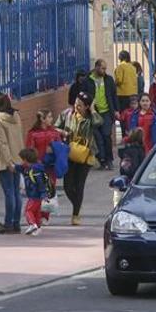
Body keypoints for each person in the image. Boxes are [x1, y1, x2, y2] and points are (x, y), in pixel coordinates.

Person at [56, 92, 102, 226]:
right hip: (69, 152)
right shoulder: (67, 114)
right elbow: (55, 127)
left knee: (79, 184)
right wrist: (63, 132)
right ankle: (77, 204)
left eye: (80, 105)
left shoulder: (90, 118)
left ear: (87, 107)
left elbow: (99, 122)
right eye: (76, 103)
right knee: (67, 186)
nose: (77, 107)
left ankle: (75, 214)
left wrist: (93, 110)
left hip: (85, 154)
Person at [0, 94, 24, 234]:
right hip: (18, 157)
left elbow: (3, 143)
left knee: (9, 192)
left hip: (6, 161)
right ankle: (16, 223)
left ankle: (8, 223)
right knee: (17, 192)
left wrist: (8, 161)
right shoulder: (16, 116)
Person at [83, 59, 118, 170]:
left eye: (105, 68)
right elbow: (83, 96)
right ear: (97, 67)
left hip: (106, 112)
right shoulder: (87, 80)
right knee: (97, 138)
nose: (104, 70)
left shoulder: (108, 80)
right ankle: (101, 159)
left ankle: (109, 159)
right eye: (102, 68)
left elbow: (113, 95)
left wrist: (116, 110)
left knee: (106, 136)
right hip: (93, 113)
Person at [25, 109, 63, 191]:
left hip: (51, 165)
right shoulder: (33, 134)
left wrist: (54, 148)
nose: (51, 119)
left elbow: (60, 146)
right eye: (49, 117)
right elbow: (29, 150)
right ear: (42, 119)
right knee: (40, 191)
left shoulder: (54, 132)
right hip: (39, 166)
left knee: (51, 189)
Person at [14, 148, 50, 236]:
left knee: (28, 210)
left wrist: (43, 194)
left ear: (25, 160)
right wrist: (14, 166)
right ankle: (38, 227)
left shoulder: (35, 170)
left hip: (35, 195)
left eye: (22, 160)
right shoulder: (30, 168)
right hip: (36, 195)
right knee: (36, 212)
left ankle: (32, 224)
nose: (21, 162)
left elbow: (40, 183)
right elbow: (20, 168)